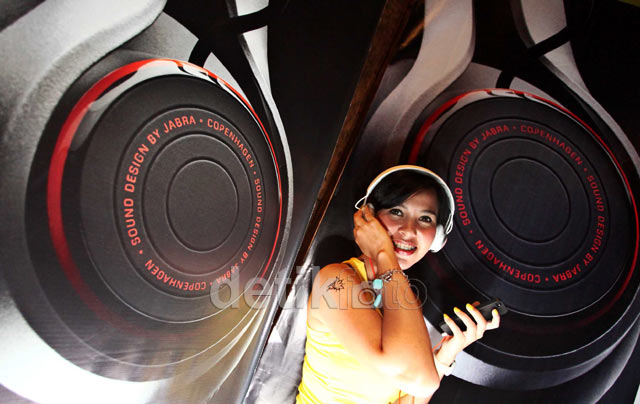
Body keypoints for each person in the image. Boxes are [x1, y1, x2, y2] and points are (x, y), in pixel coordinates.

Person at [296, 165, 501, 404]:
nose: (409, 230)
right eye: (396, 212)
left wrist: (445, 354)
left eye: (425, 218)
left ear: (437, 237)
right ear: (368, 219)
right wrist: (383, 252)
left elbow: (410, 395)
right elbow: (420, 380)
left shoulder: (403, 298)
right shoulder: (334, 281)